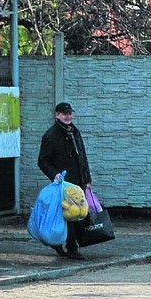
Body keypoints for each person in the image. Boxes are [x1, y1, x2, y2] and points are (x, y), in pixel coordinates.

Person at [37, 102, 92, 260]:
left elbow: (82, 156)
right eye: (64, 114)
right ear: (57, 115)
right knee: (69, 214)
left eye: (70, 113)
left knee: (79, 213)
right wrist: (55, 175)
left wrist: (87, 179)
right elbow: (43, 161)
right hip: (64, 183)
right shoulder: (51, 135)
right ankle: (71, 247)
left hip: (78, 181)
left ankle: (65, 243)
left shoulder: (74, 131)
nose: (68, 116)